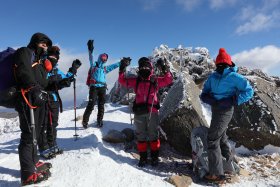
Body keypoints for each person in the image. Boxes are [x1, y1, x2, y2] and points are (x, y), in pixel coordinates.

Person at [200, 48, 254, 182]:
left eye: (223, 64)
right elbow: (204, 94)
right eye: (219, 64)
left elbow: (249, 91)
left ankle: (217, 174)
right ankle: (228, 165)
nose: (221, 67)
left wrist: (232, 100)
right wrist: (211, 99)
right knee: (221, 137)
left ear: (229, 64)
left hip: (226, 110)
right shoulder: (213, 77)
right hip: (216, 109)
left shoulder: (235, 77)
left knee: (212, 139)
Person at [14, 32, 53, 185]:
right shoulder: (24, 52)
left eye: (47, 45)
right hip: (25, 99)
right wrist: (33, 87)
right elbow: (23, 70)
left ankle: (34, 162)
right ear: (35, 42)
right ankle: (27, 174)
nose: (45, 47)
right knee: (28, 136)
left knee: (34, 134)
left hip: (34, 100)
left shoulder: (38, 61)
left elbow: (42, 82)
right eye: (43, 44)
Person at [118, 57, 173, 167]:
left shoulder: (155, 80)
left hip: (152, 111)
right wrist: (122, 68)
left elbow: (168, 79)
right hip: (139, 111)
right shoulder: (136, 80)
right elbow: (122, 80)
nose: (144, 68)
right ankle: (143, 158)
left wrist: (164, 68)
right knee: (141, 135)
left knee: (153, 135)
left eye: (146, 66)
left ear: (150, 67)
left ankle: (154, 157)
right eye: (142, 66)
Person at [38, 46, 81, 159]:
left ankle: (52, 145)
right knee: (43, 124)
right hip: (43, 99)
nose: (54, 58)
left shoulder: (56, 69)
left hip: (54, 99)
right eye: (52, 56)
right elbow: (42, 82)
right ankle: (43, 148)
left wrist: (73, 69)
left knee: (53, 124)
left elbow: (66, 79)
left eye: (56, 56)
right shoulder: (41, 66)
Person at [82, 42, 121, 128]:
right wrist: (90, 49)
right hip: (94, 87)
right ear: (100, 57)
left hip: (102, 87)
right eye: (103, 57)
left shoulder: (104, 68)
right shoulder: (93, 65)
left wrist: (121, 63)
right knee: (91, 105)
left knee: (101, 105)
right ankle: (85, 121)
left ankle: (99, 121)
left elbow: (114, 66)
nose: (104, 59)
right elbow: (90, 57)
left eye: (106, 58)